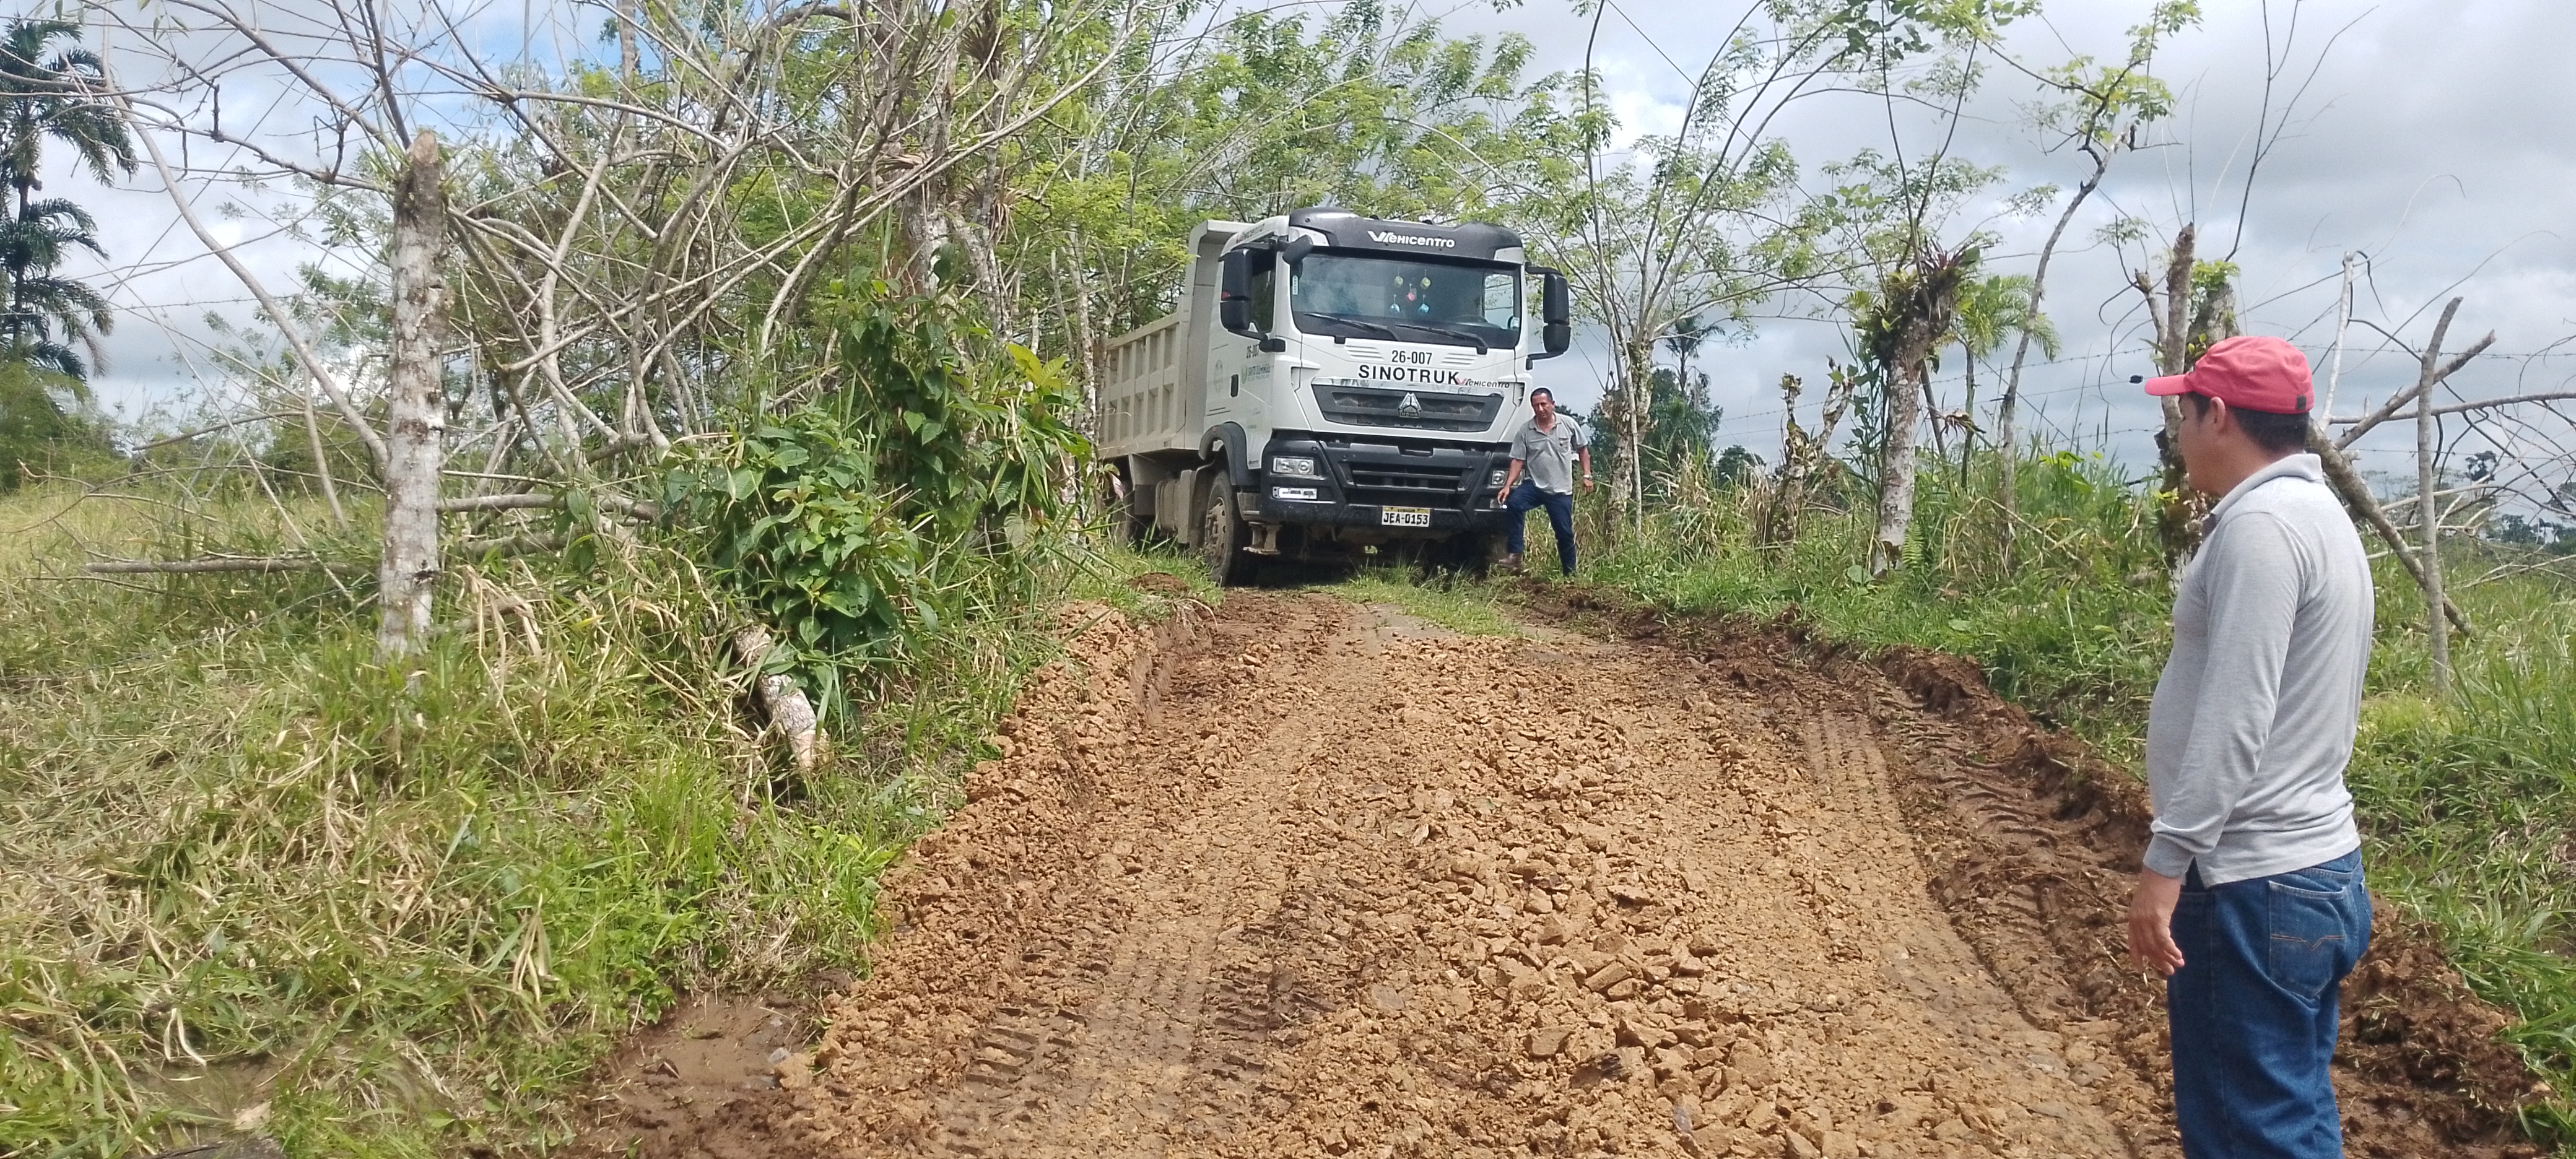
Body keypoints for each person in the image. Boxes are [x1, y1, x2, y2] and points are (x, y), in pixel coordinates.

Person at [2123, 335, 2375, 1159]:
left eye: (2184, 412)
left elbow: (2235, 718)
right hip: (2310, 871)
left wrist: (2166, 864)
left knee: (2248, 1132)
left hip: (2249, 881)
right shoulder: (2318, 517)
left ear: (2220, 415)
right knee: (2289, 1116)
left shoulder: (2260, 529)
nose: (2178, 431)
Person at [1498, 387, 1591, 575]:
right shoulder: (1526, 431)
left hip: (1560, 490)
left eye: (1543, 404)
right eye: (1536, 406)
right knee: (1514, 504)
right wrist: (1507, 486)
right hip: (1535, 485)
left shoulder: (1568, 424)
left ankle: (1570, 574)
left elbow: (1583, 450)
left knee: (1564, 533)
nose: (1540, 409)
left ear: (1552, 404)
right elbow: (1518, 460)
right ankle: (1515, 555)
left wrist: (1587, 476)